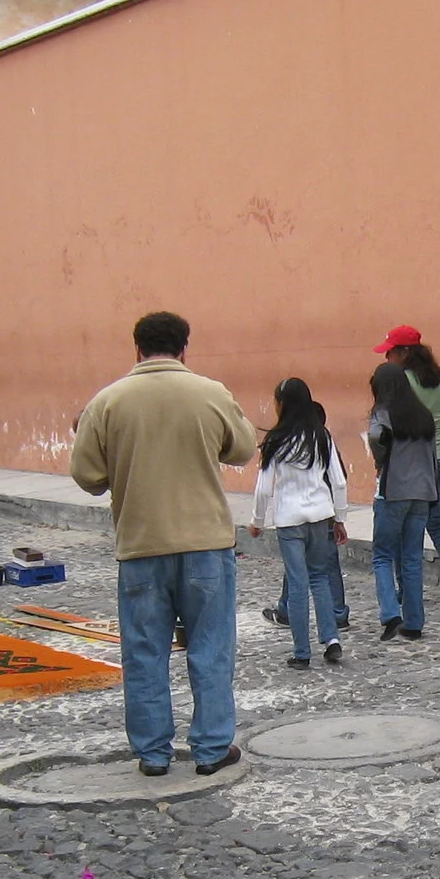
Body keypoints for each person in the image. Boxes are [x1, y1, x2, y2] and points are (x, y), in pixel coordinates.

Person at [69, 311, 256, 775]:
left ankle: (153, 753)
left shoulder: (108, 402)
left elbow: (87, 475)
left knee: (144, 652)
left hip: (142, 545)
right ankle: (212, 748)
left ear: (136, 348)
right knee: (210, 648)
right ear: (184, 347)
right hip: (205, 544)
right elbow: (242, 449)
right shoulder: (210, 394)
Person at [247, 379, 350, 669]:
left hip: (289, 520)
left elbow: (264, 489)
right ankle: (331, 639)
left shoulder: (276, 440)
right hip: (320, 515)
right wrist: (340, 518)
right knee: (320, 578)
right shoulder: (321, 436)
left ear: (282, 404)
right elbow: (339, 481)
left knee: (297, 582)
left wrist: (257, 521)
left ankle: (302, 651)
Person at [376, 325, 440, 609]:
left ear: (405, 352)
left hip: (410, 462)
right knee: (437, 523)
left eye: (391, 352)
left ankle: (405, 592)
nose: (387, 359)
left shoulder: (401, 383)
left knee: (404, 528)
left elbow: (390, 426)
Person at [366, 362, 438, 639]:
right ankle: (415, 622)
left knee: (382, 555)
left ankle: (390, 613)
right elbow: (432, 455)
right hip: (422, 492)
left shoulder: (384, 412)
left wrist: (380, 457)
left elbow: (375, 435)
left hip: (394, 490)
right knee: (411, 559)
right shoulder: (423, 415)